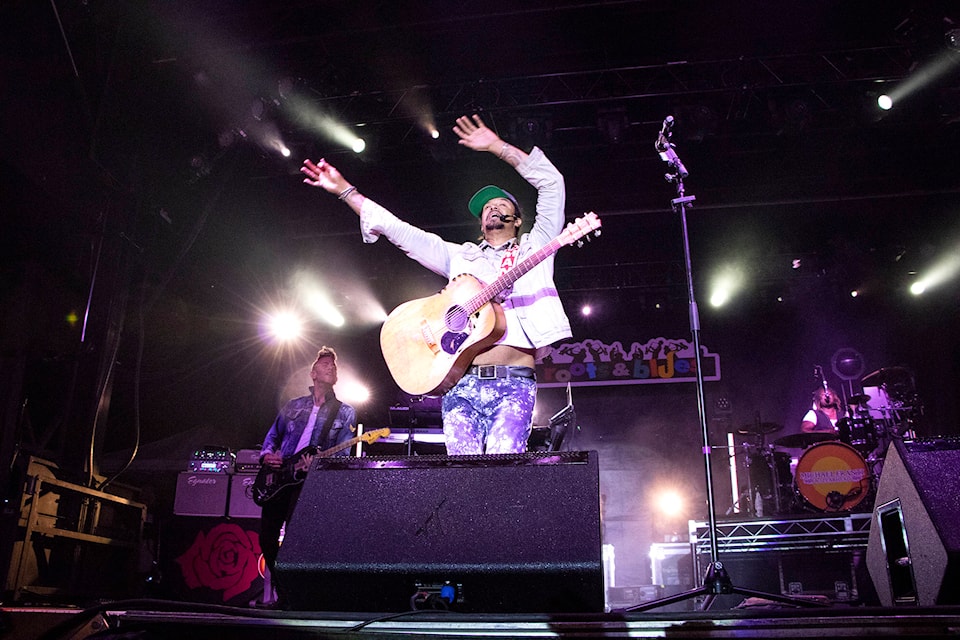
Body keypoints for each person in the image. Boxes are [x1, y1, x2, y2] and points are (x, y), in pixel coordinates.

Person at [300, 114, 571, 455]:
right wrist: (347, 192)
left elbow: (552, 184)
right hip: (460, 382)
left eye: (501, 204)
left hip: (513, 382)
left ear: (517, 219)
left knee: (502, 476)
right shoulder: (460, 258)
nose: (492, 208)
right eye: (486, 207)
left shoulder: (537, 247)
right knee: (459, 479)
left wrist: (498, 147)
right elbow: (402, 233)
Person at [256, 346, 356, 605]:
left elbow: (343, 455)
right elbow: (272, 436)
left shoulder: (344, 412)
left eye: (334, 366)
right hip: (279, 478)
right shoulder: (293, 406)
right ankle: (282, 589)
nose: (331, 368)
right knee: (266, 537)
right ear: (313, 373)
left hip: (309, 483)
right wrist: (268, 456)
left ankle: (294, 595)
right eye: (325, 364)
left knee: (293, 539)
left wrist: (319, 463)